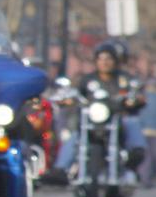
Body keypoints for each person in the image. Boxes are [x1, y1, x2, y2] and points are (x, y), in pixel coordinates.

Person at [52, 42, 147, 179]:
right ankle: (60, 169)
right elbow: (76, 94)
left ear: (115, 61)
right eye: (101, 59)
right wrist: (67, 99)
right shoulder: (87, 80)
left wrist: (136, 99)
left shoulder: (125, 79)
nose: (105, 63)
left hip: (119, 118)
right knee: (75, 135)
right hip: (93, 120)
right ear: (96, 61)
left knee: (132, 123)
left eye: (108, 59)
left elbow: (137, 94)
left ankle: (133, 160)